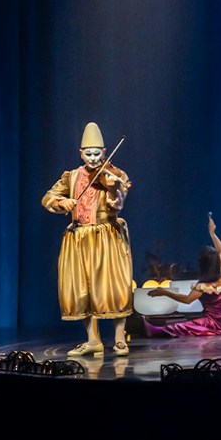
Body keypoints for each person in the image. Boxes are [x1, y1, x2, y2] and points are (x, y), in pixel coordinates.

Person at [41, 122, 134, 357]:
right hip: (79, 237)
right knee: (83, 289)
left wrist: (113, 190)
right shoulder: (71, 176)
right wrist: (62, 203)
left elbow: (118, 204)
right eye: (88, 154)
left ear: (104, 153)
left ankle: (119, 338)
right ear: (80, 154)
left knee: (112, 287)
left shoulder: (114, 174)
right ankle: (93, 340)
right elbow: (48, 197)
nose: (93, 159)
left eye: (97, 154)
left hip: (106, 234)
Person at [143, 214, 221, 338]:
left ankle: (155, 331)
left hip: (214, 323)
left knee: (184, 326)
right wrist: (212, 233)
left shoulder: (204, 286)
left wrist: (165, 292)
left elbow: (187, 300)